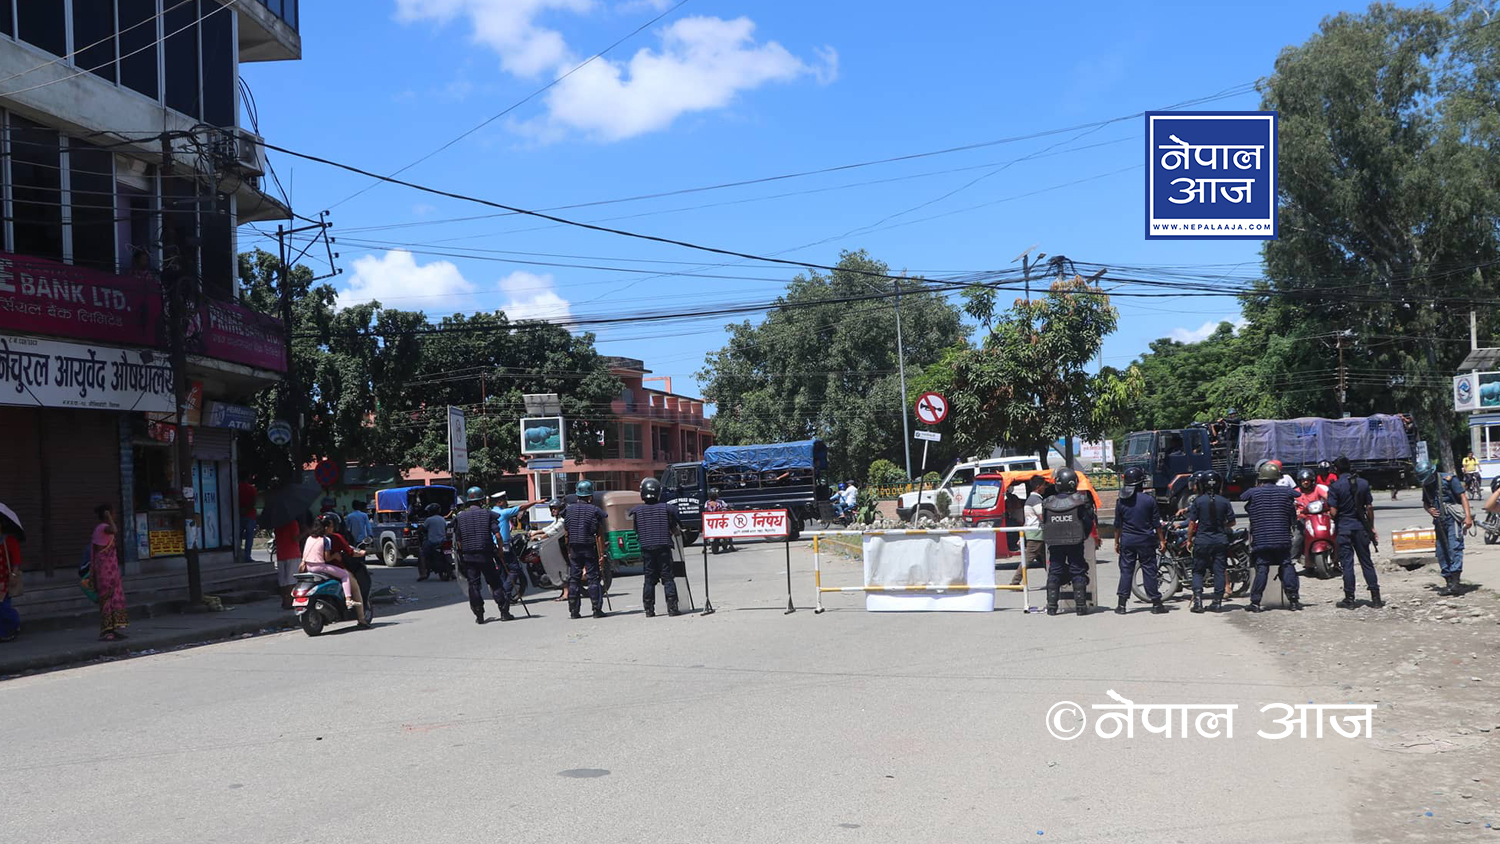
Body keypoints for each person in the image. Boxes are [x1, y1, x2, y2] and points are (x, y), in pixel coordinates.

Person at [1240, 462, 1301, 612]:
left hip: (1261, 540)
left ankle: (1255, 602)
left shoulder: (1254, 493)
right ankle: (1293, 601)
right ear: (1277, 478)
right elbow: (1295, 505)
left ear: (1261, 478)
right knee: (1286, 565)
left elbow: (1243, 499)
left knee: (1262, 569)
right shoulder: (1286, 492)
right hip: (1282, 539)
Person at [1041, 468, 1097, 617]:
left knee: (1054, 570)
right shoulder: (1080, 500)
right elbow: (1088, 521)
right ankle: (1080, 606)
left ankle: (1051, 606)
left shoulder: (1047, 502)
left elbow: (1044, 523)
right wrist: (1083, 535)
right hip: (1075, 541)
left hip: (1054, 542)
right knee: (1078, 570)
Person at [1328, 456, 1381, 609]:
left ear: (1336, 469)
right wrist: (1371, 527)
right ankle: (1376, 598)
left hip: (1344, 528)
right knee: (1367, 563)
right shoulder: (1363, 483)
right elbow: (1369, 508)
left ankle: (1350, 599)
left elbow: (1333, 512)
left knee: (1347, 564)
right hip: (1360, 527)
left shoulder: (1335, 487)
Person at [454, 486, 513, 624]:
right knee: (495, 582)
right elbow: (498, 535)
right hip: (486, 555)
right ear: (482, 500)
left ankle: (479, 614)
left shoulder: (460, 517)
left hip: (469, 557)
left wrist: (462, 555)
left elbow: (459, 541)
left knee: (473, 585)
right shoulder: (488, 514)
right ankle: (504, 612)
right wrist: (499, 550)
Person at [1114, 466, 1167, 615]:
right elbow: (1157, 524)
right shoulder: (1149, 500)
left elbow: (1117, 525)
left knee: (1126, 571)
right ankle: (1156, 604)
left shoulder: (1121, 501)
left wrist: (1116, 542)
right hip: (1146, 541)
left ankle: (1121, 605)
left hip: (1127, 541)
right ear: (1140, 483)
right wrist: (1162, 541)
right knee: (1149, 570)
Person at [1418, 460, 1472, 596]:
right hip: (1439, 521)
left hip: (1452, 518)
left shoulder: (1448, 479)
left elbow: (1463, 496)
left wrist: (1468, 517)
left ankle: (1456, 582)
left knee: (1455, 548)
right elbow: (1425, 503)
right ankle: (1448, 581)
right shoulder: (1426, 486)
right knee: (1441, 551)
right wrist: (1430, 510)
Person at [300, 516, 366, 626]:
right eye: (331, 526)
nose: (333, 529)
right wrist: (337, 555)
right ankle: (356, 610)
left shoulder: (310, 538)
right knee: (349, 580)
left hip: (308, 566)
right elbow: (347, 552)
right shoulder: (331, 539)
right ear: (326, 527)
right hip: (323, 566)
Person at [630, 478, 682, 617]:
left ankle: (649, 609)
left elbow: (636, 530)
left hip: (646, 548)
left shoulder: (637, 511)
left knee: (649, 579)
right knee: (668, 578)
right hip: (663, 548)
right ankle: (672, 608)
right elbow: (676, 523)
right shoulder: (667, 508)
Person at [1187, 471, 1236, 613]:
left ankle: (1198, 602)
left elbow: (1191, 523)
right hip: (1220, 541)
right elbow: (1232, 522)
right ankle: (1217, 602)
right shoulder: (1225, 502)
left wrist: (1189, 540)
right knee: (1219, 570)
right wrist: (1221, 526)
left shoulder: (1198, 501)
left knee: (1198, 571)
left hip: (1202, 541)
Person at [563, 481, 609, 619]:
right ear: (590, 496)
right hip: (589, 547)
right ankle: (596, 609)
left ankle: (574, 611)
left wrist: (569, 550)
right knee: (593, 579)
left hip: (574, 548)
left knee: (574, 579)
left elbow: (566, 533)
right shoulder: (594, 510)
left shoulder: (568, 510)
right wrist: (602, 554)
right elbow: (599, 534)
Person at [320, 514, 371, 628]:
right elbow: (349, 551)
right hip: (334, 568)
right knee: (356, 588)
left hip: (317, 568)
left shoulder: (313, 538)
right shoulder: (335, 538)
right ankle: (362, 620)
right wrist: (362, 553)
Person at [490, 491, 542, 599]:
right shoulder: (503, 513)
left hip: (493, 547)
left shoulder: (490, 513)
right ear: (499, 502)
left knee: (502, 571)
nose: (506, 503)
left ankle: (506, 596)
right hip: (503, 546)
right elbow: (521, 507)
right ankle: (504, 591)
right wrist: (536, 502)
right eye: (504, 501)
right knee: (515, 569)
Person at [92, 504, 129, 641]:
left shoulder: (102, 529)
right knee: (106, 600)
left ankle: (112, 629)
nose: (115, 516)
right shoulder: (102, 528)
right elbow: (114, 529)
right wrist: (108, 516)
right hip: (105, 571)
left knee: (112, 599)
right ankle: (107, 631)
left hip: (110, 571)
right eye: (113, 513)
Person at [1010, 476, 1047, 586]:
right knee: (1028, 559)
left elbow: (1027, 520)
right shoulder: (1036, 500)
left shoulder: (1030, 500)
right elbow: (1042, 517)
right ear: (1038, 487)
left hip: (1034, 533)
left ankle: (1057, 580)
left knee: (1046, 558)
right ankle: (1015, 582)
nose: (1045, 487)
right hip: (1037, 534)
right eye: (1044, 485)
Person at [1291, 468, 1329, 567]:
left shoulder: (1317, 489)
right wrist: (1294, 510)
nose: (1306, 482)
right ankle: (1292, 560)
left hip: (1318, 518)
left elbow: (1327, 497)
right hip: (1302, 519)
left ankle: (1337, 560)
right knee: (1297, 538)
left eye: (1308, 480)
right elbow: (1289, 503)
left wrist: (1329, 503)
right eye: (1303, 480)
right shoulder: (1296, 492)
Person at [272, 516, 304, 609]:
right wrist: (305, 532)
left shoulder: (277, 524)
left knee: (283, 580)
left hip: (281, 554)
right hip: (292, 554)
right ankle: (289, 601)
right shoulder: (292, 523)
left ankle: (284, 600)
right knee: (291, 579)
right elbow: (295, 538)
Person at [419, 503, 453, 582]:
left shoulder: (429, 520)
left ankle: (423, 573)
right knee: (448, 552)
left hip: (432, 542)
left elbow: (422, 529)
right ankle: (452, 573)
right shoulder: (442, 519)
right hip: (443, 541)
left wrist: (417, 531)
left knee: (422, 554)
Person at [0, 522, 22, 642]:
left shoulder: (9, 540)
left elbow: (16, 559)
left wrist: (14, 574)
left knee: (2, 606)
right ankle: (3, 632)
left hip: (6, 580)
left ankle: (14, 622)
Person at [705, 488, 735, 554]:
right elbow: (728, 507)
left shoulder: (707, 503)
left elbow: (705, 510)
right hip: (719, 521)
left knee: (705, 531)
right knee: (729, 529)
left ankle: (704, 548)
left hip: (710, 522)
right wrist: (731, 510)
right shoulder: (721, 502)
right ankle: (731, 545)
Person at [238, 478, 257, 563]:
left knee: (238, 536)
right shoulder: (251, 488)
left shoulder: (237, 488)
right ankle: (247, 556)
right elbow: (253, 502)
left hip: (239, 515)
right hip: (250, 515)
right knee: (249, 537)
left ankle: (238, 555)